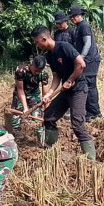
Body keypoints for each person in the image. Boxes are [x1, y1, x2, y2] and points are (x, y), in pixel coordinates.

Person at [30, 25, 96, 160]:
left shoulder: (64, 46)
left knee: (77, 125)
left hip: (78, 89)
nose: (37, 45)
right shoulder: (50, 55)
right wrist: (49, 94)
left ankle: (90, 160)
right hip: (66, 91)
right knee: (48, 116)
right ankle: (50, 150)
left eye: (37, 42)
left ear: (44, 38)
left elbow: (81, 64)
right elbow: (56, 78)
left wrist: (71, 80)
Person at [69, 5, 102, 122]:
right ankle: (90, 111)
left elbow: (87, 43)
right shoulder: (79, 27)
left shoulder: (84, 26)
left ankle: (94, 113)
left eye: (74, 16)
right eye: (71, 17)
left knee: (90, 86)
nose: (72, 19)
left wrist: (81, 58)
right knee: (86, 85)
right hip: (86, 60)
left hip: (90, 61)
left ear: (79, 15)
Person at [10, 55, 50, 143]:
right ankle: (15, 139)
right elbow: (20, 90)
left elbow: (45, 95)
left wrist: (46, 110)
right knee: (15, 119)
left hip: (33, 94)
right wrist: (25, 108)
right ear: (32, 64)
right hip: (20, 93)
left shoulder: (43, 74)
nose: (37, 73)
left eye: (39, 71)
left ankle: (40, 140)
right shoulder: (20, 71)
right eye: (36, 70)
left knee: (38, 119)